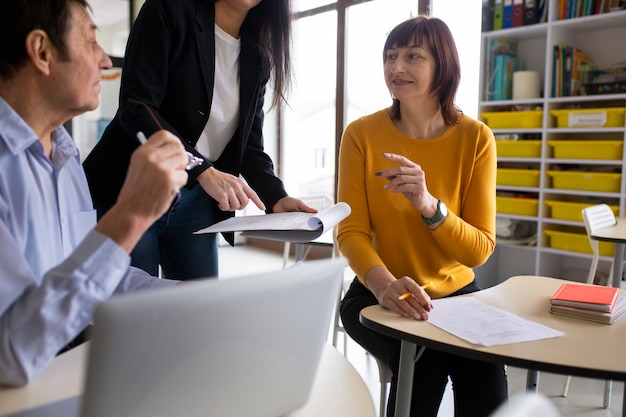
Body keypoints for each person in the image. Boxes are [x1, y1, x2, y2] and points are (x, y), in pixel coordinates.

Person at [0, 0, 190, 386]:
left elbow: (105, 278)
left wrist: (188, 298)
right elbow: (11, 354)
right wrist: (132, 213)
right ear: (42, 51)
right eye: (91, 42)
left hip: (69, 369)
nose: (106, 62)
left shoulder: (66, 159)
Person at [336, 16, 508, 417]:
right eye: (390, 56)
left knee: (485, 372)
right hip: (376, 290)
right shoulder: (361, 134)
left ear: (443, 65)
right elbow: (351, 232)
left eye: (413, 56)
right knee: (424, 359)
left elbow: (479, 250)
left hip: (456, 296)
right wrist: (385, 286)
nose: (396, 68)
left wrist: (430, 207)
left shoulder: (476, 138)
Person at [82, 0, 314, 280]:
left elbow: (249, 147)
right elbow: (138, 105)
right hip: (131, 187)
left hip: (195, 201)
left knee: (199, 310)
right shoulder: (168, 9)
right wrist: (203, 169)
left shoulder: (258, 57)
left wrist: (278, 198)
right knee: (139, 313)